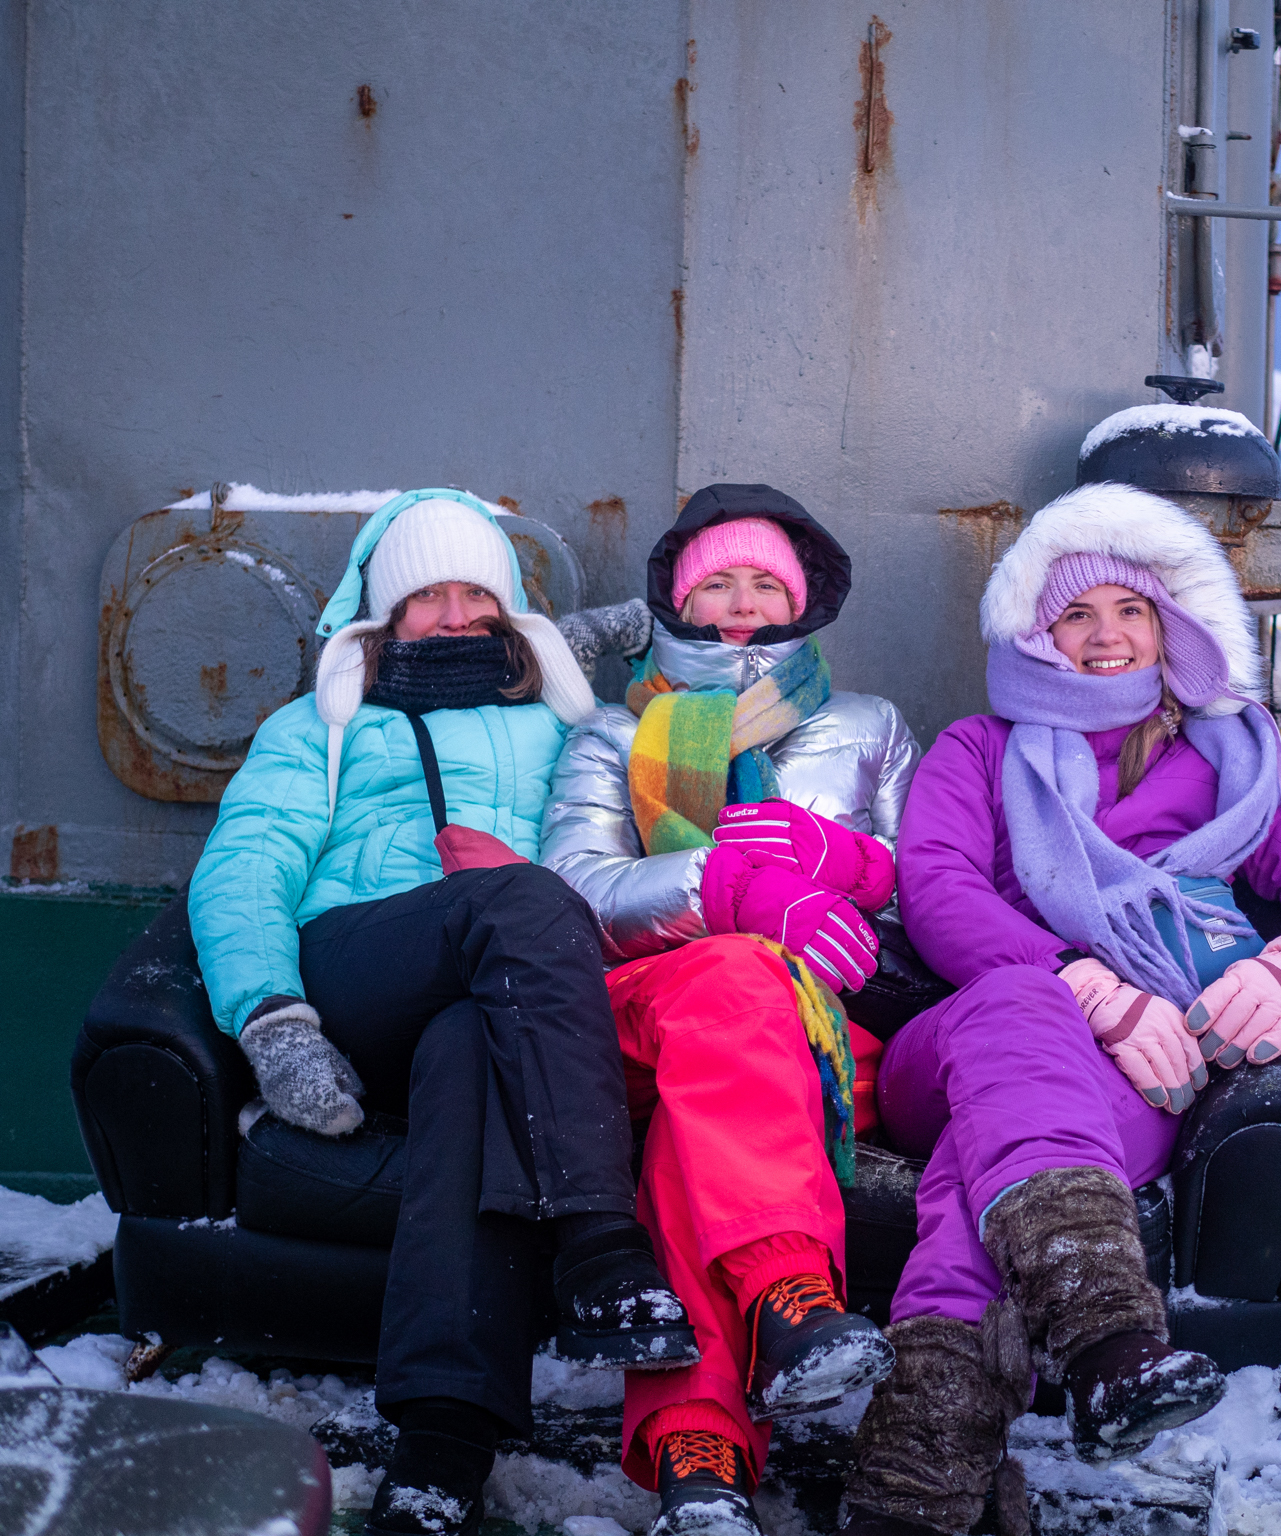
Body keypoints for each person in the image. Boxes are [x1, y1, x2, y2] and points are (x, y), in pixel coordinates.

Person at [840, 482, 1281, 1536]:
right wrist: (1087, 983)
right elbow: (937, 891)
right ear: (1036, 633)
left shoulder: (1230, 766)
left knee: (986, 1186)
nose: (1105, 636)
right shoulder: (977, 750)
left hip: (1144, 1073)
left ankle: (914, 1489)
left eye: (1130, 612)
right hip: (962, 1042)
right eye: (1075, 614)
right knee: (1019, 1000)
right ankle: (1110, 1339)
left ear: (1168, 627)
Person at [189, 490, 700, 1536]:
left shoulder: (568, 722)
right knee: (513, 898)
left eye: (478, 591)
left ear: (512, 610)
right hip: (359, 968)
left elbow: (638, 847)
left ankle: (443, 1439)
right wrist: (274, 1018)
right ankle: (601, 1247)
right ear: (386, 613)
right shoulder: (325, 724)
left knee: (470, 1046)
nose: (457, 613)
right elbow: (244, 869)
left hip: (499, 1007)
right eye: (429, 596)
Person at [543, 484, 921, 1536]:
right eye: (719, 580)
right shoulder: (613, 735)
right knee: (730, 979)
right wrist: (723, 892)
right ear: (676, 594)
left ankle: (695, 1462)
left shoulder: (870, 728)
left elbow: (928, 891)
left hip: (817, 1028)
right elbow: (573, 890)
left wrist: (840, 864)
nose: (743, 601)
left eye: (766, 581)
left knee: (701, 1107)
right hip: (652, 999)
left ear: (804, 598)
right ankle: (791, 1301)